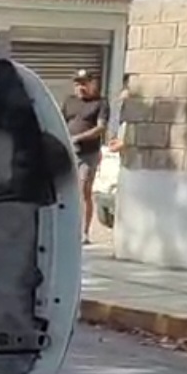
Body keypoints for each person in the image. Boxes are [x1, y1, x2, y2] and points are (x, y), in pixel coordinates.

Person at [60, 69, 109, 244]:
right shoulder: (70, 101)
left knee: (83, 190)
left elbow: (101, 128)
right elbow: (61, 121)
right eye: (78, 83)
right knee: (64, 189)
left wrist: (79, 137)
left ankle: (84, 232)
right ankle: (67, 227)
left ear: (91, 84)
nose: (81, 87)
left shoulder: (100, 103)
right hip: (69, 151)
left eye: (84, 83)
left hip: (88, 153)